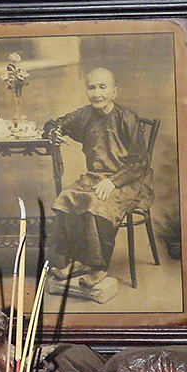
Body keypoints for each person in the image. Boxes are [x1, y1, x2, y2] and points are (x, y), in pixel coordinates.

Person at [43, 67, 153, 289]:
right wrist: (52, 131)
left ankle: (99, 267)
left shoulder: (127, 118)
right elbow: (57, 123)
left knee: (96, 203)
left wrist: (113, 182)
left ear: (114, 91)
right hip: (95, 177)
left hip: (128, 180)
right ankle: (80, 262)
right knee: (68, 197)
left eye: (103, 87)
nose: (97, 93)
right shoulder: (84, 115)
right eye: (92, 87)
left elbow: (140, 163)